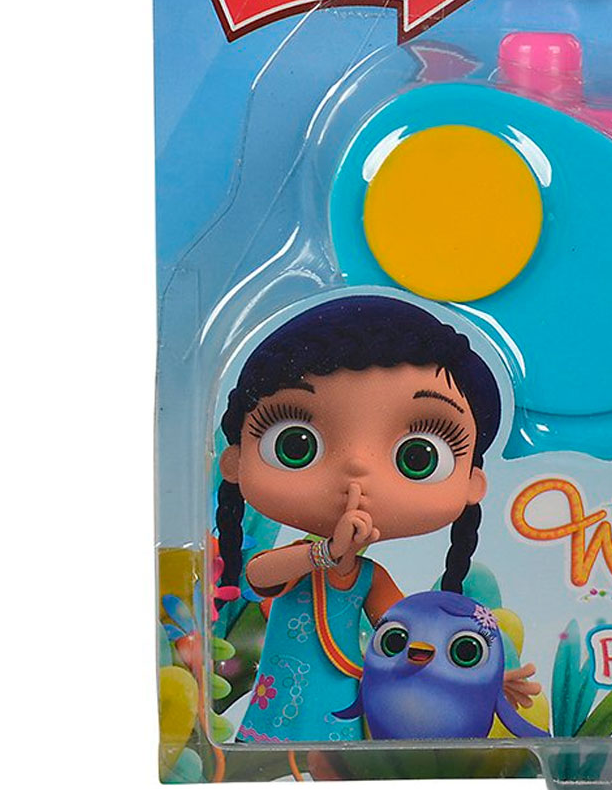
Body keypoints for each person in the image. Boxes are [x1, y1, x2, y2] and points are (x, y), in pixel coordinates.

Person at [214, 294, 538, 743]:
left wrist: (482, 678)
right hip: (277, 693)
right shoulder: (297, 560)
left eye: (418, 456)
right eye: (295, 444)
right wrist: (325, 553)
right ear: (234, 462)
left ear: (472, 482)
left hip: (341, 698)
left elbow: (419, 634)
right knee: (270, 751)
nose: (357, 467)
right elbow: (258, 577)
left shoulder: (370, 578)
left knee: (332, 753)